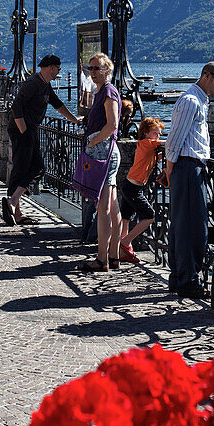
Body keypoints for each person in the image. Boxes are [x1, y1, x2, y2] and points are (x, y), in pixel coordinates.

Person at [164, 61, 214, 299]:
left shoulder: (198, 100)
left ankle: (181, 277)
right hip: (188, 167)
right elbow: (174, 140)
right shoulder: (191, 101)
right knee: (193, 226)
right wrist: (170, 170)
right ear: (207, 76)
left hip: (189, 167)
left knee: (184, 225)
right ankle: (187, 279)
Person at [3, 54, 80, 226]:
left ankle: (14, 207)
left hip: (30, 130)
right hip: (22, 130)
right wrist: (23, 130)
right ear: (51, 67)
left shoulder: (45, 85)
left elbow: (58, 104)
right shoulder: (33, 83)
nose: (58, 72)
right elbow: (17, 106)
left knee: (28, 167)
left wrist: (74, 120)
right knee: (32, 167)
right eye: (58, 69)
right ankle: (13, 204)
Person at [77, 53, 123, 273]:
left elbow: (112, 124)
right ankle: (113, 255)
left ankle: (102, 258)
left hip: (104, 152)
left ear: (107, 70)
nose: (93, 72)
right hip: (104, 151)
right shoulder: (101, 92)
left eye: (97, 68)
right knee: (112, 208)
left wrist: (93, 140)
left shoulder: (108, 91)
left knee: (103, 207)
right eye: (91, 68)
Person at [118, 117, 165, 264]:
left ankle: (123, 252)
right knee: (150, 216)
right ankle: (126, 242)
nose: (158, 136)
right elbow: (167, 143)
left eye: (159, 133)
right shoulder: (146, 143)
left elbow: (150, 159)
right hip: (133, 188)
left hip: (129, 184)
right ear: (145, 133)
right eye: (155, 133)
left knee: (126, 218)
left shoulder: (146, 146)